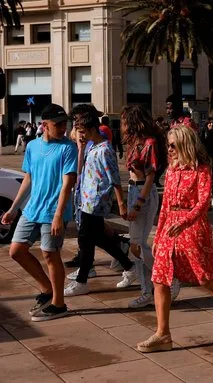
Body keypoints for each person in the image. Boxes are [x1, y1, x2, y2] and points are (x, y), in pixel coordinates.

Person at [136, 125, 213, 352]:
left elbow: (204, 202)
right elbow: (166, 205)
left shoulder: (201, 170)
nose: (169, 149)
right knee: (159, 278)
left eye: (172, 145)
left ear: (185, 144)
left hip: (193, 228)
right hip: (170, 227)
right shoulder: (171, 171)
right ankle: (162, 333)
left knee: (206, 278)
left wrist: (185, 221)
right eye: (167, 145)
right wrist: (158, 236)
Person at [1, 104, 78, 321]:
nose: (63, 128)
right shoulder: (33, 147)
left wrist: (58, 215)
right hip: (32, 208)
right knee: (16, 251)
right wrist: (13, 208)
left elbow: (67, 184)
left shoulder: (68, 148)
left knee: (50, 255)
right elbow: (29, 178)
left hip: (54, 211)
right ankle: (47, 289)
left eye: (65, 123)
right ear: (44, 125)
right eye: (58, 124)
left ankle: (59, 304)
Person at [63, 104, 137, 297]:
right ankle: (129, 265)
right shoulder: (91, 147)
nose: (80, 135)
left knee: (86, 240)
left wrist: (121, 202)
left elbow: (114, 177)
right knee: (96, 238)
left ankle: (83, 281)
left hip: (96, 200)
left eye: (82, 131)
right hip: (86, 198)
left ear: (91, 129)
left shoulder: (104, 149)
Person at [121, 105, 175, 309]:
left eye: (125, 121)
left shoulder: (149, 143)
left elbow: (151, 176)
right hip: (134, 189)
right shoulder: (135, 142)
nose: (123, 126)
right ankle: (148, 289)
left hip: (143, 191)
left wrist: (138, 203)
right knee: (135, 245)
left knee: (138, 245)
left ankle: (165, 279)